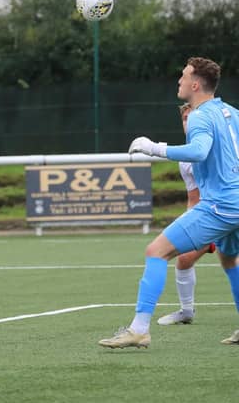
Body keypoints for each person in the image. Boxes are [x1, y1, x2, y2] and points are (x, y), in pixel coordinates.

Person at [99, 57, 239, 349]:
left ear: (196, 84)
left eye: (183, 76)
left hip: (221, 206)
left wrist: (154, 148)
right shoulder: (231, 112)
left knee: (156, 251)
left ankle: (139, 330)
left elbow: (199, 151)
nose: (179, 80)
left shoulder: (200, 115)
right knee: (229, 259)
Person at [157, 103, 216, 326]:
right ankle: (186, 311)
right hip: (210, 216)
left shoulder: (224, 148)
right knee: (183, 258)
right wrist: (188, 225)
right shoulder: (185, 158)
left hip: (230, 211)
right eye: (185, 119)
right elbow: (194, 198)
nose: (189, 123)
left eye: (193, 118)